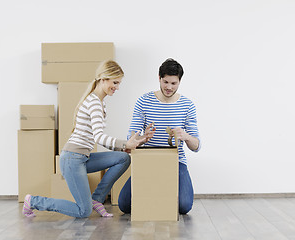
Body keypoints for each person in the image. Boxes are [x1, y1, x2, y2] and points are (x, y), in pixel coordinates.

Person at [22, 60, 153, 218]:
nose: (117, 87)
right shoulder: (94, 103)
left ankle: (96, 199)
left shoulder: (100, 103)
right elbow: (99, 137)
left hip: (83, 157)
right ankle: (33, 201)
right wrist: (125, 143)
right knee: (83, 211)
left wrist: (135, 142)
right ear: (103, 79)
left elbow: (97, 137)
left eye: (119, 84)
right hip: (72, 159)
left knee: (123, 158)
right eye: (115, 82)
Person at [118, 58, 201, 215]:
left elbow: (196, 146)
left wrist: (186, 136)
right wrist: (143, 138)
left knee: (184, 206)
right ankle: (158, 189)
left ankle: (162, 190)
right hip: (148, 160)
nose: (169, 87)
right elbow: (130, 140)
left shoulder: (187, 105)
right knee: (124, 205)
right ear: (159, 78)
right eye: (165, 82)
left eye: (173, 83)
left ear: (179, 82)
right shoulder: (143, 101)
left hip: (176, 162)